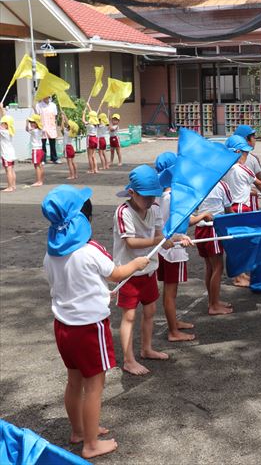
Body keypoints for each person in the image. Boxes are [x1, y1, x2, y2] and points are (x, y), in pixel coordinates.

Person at [42, 185, 149, 458]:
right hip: (89, 329)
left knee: (74, 381)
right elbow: (116, 273)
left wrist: (98, 292)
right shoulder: (90, 250)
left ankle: (79, 431)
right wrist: (136, 265)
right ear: (85, 220)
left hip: (63, 327)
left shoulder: (51, 254)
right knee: (94, 387)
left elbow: (69, 284)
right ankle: (91, 444)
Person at [113, 165, 176, 375]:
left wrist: (173, 239)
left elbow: (159, 235)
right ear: (132, 193)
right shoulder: (123, 212)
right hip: (128, 272)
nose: (150, 200)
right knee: (129, 316)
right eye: (146, 196)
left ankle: (146, 349)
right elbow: (131, 242)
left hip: (148, 270)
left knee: (150, 311)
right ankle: (128, 360)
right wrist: (158, 241)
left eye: (153, 196)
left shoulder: (154, 208)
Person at [154, 152, 195, 342]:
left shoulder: (159, 195)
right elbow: (172, 225)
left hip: (164, 248)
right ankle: (173, 331)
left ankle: (174, 322)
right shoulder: (170, 198)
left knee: (171, 291)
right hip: (172, 249)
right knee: (171, 292)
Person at [223, 135, 261, 288]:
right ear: (238, 152)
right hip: (240, 207)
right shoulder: (242, 168)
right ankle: (238, 277)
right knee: (241, 243)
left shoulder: (225, 169)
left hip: (230, 207)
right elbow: (259, 184)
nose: (246, 156)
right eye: (245, 153)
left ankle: (241, 273)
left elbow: (238, 187)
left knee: (236, 242)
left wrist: (253, 193)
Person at [194, 179, 234, 315]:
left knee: (210, 267)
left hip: (200, 229)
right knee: (218, 267)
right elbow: (229, 210)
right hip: (213, 229)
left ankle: (213, 301)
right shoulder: (222, 185)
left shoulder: (199, 183)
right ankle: (214, 305)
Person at [234, 124, 261, 210]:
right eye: (253, 137)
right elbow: (259, 181)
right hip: (251, 197)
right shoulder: (253, 159)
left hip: (234, 198)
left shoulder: (229, 159)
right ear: (246, 139)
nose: (255, 140)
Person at [35, 95, 59, 164]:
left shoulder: (53, 105)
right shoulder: (39, 105)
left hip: (51, 127)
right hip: (43, 127)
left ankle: (54, 158)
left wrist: (55, 126)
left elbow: (55, 116)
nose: (46, 98)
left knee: (53, 144)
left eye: (48, 96)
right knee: (43, 144)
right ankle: (43, 159)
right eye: (45, 96)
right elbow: (37, 116)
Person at [0, 104, 17, 191]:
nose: (1, 124)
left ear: (6, 125)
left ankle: (10, 187)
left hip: (6, 154)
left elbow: (4, 119)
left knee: (8, 170)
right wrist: (1, 108)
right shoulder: (9, 130)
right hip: (10, 153)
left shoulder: (3, 131)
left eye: (2, 124)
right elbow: (5, 118)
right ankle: (13, 185)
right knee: (12, 169)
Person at [26, 113, 45, 186]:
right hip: (40, 149)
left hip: (36, 150)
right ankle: (41, 181)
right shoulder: (40, 130)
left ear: (36, 123)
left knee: (36, 166)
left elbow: (27, 129)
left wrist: (26, 122)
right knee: (40, 166)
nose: (31, 123)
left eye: (32, 122)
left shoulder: (34, 131)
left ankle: (38, 181)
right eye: (30, 122)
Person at [61, 113, 79, 180]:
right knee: (73, 162)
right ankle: (75, 175)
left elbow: (62, 127)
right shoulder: (72, 132)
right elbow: (68, 123)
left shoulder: (66, 132)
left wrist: (63, 118)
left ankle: (72, 175)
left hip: (67, 147)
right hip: (71, 147)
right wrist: (64, 115)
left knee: (69, 163)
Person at [82, 108, 99, 174]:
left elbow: (83, 120)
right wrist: (89, 107)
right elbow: (93, 115)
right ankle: (96, 169)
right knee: (93, 155)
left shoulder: (89, 125)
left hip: (90, 139)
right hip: (95, 139)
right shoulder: (96, 125)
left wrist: (83, 113)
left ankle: (91, 170)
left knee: (89, 156)